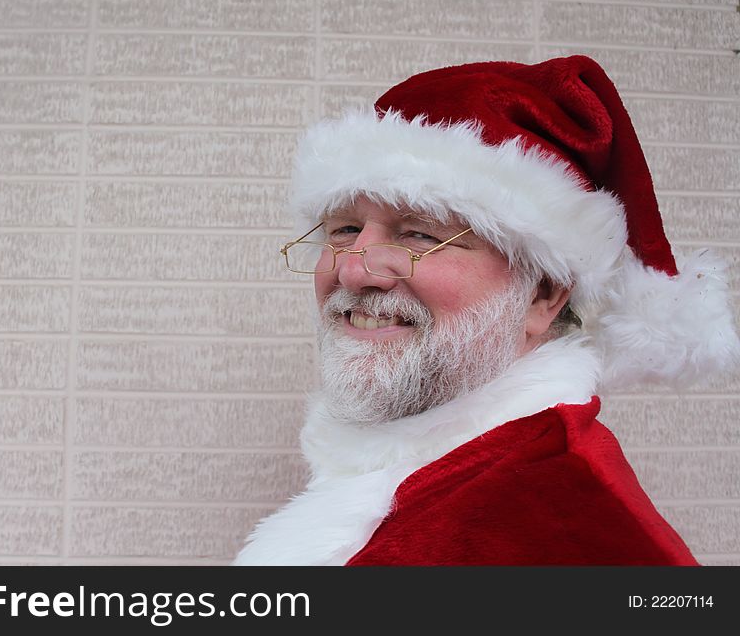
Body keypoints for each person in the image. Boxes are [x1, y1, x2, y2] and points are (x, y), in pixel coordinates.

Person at [233, 55, 739, 565]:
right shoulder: (420, 483)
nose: (353, 271)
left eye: (419, 234)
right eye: (343, 229)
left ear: (543, 295)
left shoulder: (572, 535)